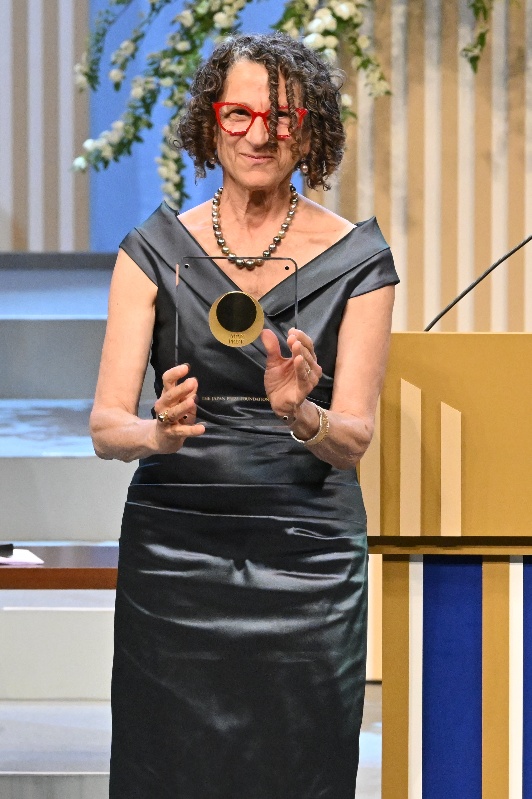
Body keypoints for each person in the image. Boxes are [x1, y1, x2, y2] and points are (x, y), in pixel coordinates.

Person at [90, 31, 398, 799]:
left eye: (282, 118)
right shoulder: (152, 251)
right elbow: (105, 427)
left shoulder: (360, 260)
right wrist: (157, 432)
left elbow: (353, 437)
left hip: (308, 552)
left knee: (302, 768)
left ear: (311, 132)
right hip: (176, 551)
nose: (260, 135)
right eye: (240, 114)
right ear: (211, 120)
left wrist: (301, 414)